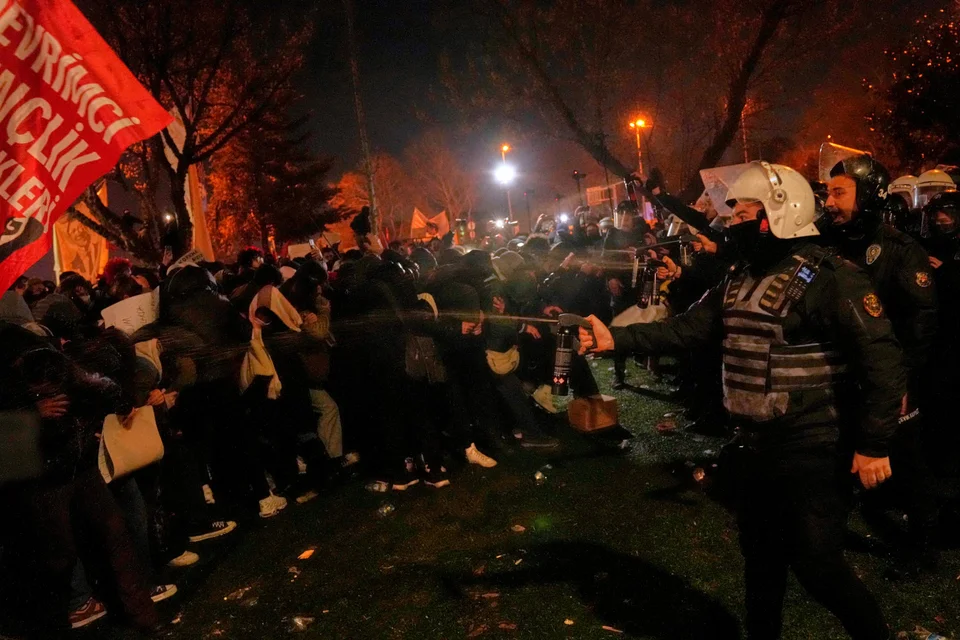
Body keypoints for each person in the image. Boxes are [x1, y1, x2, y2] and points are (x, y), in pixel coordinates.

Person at [578, 161, 904, 640]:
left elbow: (882, 359)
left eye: (743, 214)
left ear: (778, 214)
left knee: (817, 564)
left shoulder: (832, 277)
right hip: (754, 445)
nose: (732, 224)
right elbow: (688, 328)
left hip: (812, 445)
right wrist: (616, 339)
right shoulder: (740, 276)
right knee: (761, 558)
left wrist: (874, 444)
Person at [823, 154, 940, 575]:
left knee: (906, 463)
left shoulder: (900, 250)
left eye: (839, 193)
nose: (829, 202)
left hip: (890, 379)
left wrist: (901, 380)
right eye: (827, 193)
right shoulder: (829, 243)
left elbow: (921, 321)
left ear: (869, 196)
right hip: (844, 375)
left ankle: (922, 546)